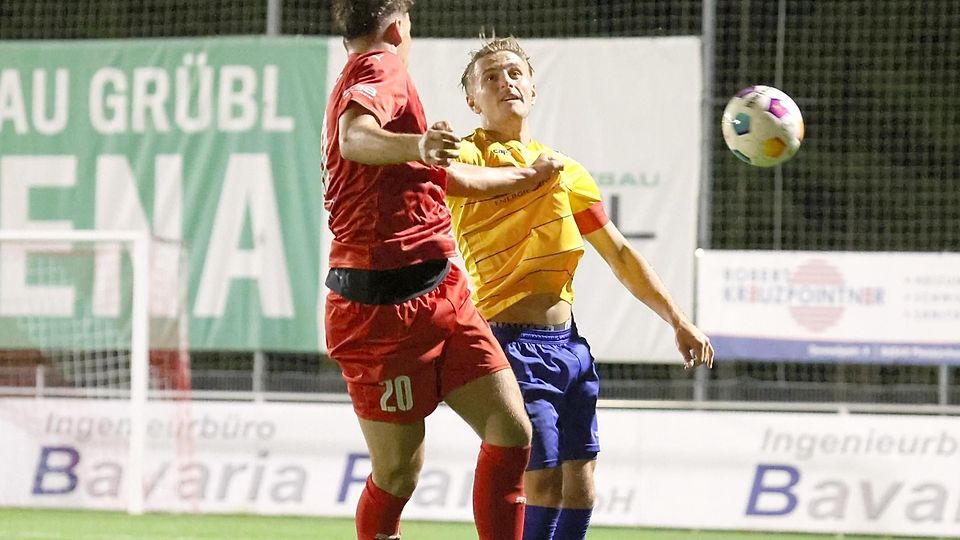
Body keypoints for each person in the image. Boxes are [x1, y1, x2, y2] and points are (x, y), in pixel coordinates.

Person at [449, 37, 716, 540]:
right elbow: (439, 174)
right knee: (542, 482)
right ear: (472, 101)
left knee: (581, 483)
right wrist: (521, 175)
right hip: (510, 345)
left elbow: (618, 253)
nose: (504, 82)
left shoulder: (566, 171)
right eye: (489, 77)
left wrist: (677, 319)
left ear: (532, 86)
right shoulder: (469, 155)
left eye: (513, 73)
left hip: (568, 344)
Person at [323, 4, 565, 540]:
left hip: (441, 295)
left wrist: (523, 177)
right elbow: (353, 139)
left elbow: (441, 177)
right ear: (397, 25)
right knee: (398, 474)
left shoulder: (370, 73)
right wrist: (421, 143)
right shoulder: (380, 65)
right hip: (379, 313)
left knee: (510, 431)